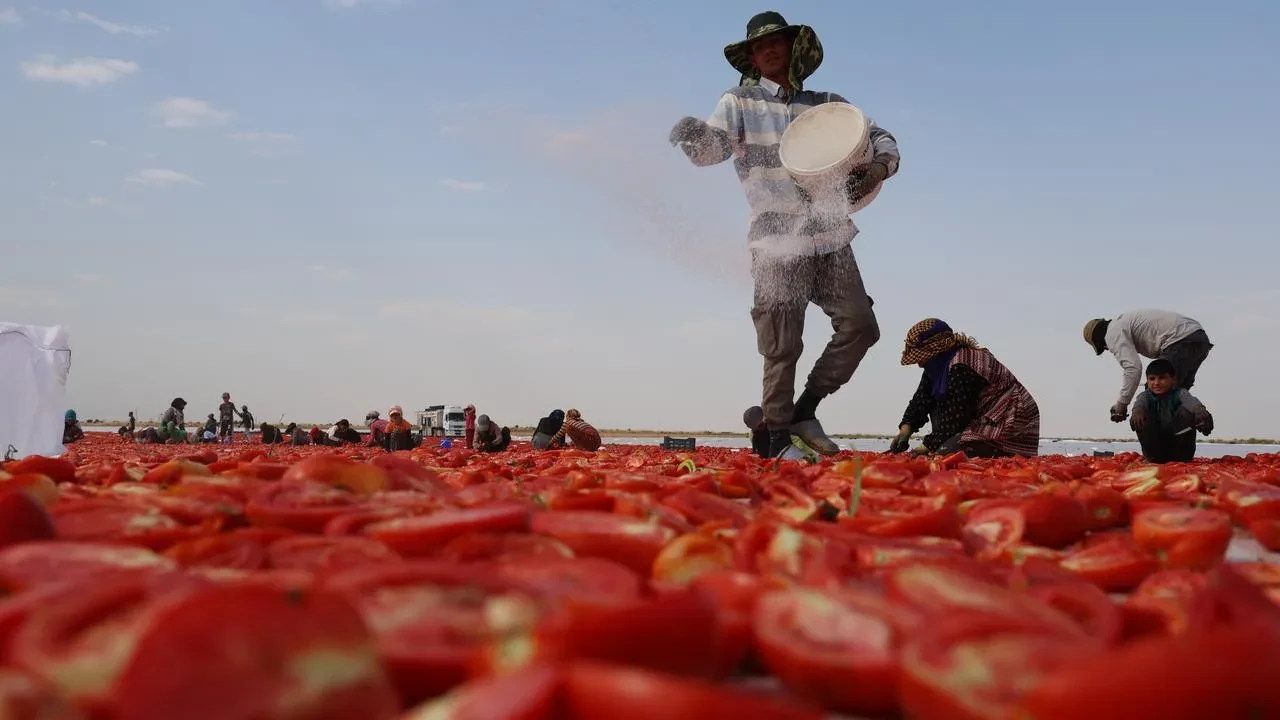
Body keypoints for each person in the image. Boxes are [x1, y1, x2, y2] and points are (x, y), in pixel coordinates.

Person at [669, 11, 899, 460]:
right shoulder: (739, 103)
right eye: (759, 46)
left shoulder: (828, 105)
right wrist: (694, 137)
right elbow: (712, 150)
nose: (769, 49)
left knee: (860, 327)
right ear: (752, 57)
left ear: (795, 48)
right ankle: (776, 440)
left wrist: (875, 169)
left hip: (830, 236)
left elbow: (883, 137)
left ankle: (804, 409)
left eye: (778, 41)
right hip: (775, 239)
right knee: (782, 343)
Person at [890, 319, 1040, 459]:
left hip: (1010, 426)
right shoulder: (937, 365)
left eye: (922, 357)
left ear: (937, 350)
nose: (920, 364)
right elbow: (922, 398)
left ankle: (999, 451)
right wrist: (906, 429)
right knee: (942, 449)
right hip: (980, 421)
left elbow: (957, 416)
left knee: (947, 455)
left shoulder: (961, 365)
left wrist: (925, 447)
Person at [1083, 309, 1213, 425]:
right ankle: (1191, 423)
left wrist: (1121, 405)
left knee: (1155, 390)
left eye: (1104, 347)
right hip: (1197, 337)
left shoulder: (1112, 332)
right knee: (1175, 395)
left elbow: (1133, 368)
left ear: (1099, 339)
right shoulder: (1123, 322)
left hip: (1180, 340)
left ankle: (1196, 416)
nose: (1108, 349)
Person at [1130, 358, 1213, 464]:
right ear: (1147, 380)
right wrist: (1137, 412)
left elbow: (1193, 403)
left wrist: (1202, 414)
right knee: (1139, 416)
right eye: (1152, 379)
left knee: (1190, 412)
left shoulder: (1180, 393)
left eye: (1162, 378)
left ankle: (1180, 456)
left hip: (1180, 451)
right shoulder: (1144, 396)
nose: (1156, 383)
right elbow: (1139, 405)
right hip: (1155, 452)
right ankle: (1153, 458)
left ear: (1173, 379)